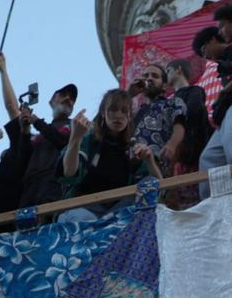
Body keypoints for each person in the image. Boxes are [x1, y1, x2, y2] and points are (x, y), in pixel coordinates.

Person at [57, 89, 160, 223]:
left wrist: (150, 160)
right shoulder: (89, 140)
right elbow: (69, 172)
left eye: (124, 111)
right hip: (84, 208)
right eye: (113, 109)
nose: (118, 115)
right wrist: (75, 139)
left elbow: (158, 188)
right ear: (103, 113)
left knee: (148, 182)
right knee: (82, 219)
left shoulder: (133, 148)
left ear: (130, 117)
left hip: (118, 211)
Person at [0, 51, 77, 209]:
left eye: (72, 98)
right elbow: (22, 153)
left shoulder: (76, 125)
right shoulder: (38, 136)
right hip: (29, 188)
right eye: (63, 95)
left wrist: (36, 122)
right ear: (51, 101)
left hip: (55, 185)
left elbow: (63, 142)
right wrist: (25, 131)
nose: (68, 99)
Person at [192, 26, 232, 197]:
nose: (205, 56)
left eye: (204, 49)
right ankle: (215, 202)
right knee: (209, 158)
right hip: (226, 114)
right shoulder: (221, 64)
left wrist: (223, 92)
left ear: (213, 40)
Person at [166, 59, 211, 206]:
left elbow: (193, 112)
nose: (166, 75)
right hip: (179, 158)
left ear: (178, 70)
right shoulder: (169, 101)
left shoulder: (195, 91)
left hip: (194, 155)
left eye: (168, 71)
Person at [130, 64, 187, 177]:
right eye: (145, 76)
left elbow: (179, 126)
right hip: (130, 168)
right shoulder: (135, 111)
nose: (149, 78)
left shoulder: (173, 103)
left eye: (155, 76)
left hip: (156, 166)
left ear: (164, 86)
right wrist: (130, 94)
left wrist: (172, 145)